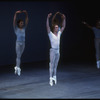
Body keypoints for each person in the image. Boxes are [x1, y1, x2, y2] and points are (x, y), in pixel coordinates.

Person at [46, 12, 66, 86]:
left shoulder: (59, 34)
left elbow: (63, 26)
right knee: (51, 65)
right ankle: (50, 79)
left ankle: (54, 76)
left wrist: (64, 19)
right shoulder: (50, 34)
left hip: (58, 51)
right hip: (52, 51)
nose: (58, 28)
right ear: (54, 28)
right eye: (56, 27)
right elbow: (47, 27)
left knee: (55, 65)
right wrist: (47, 18)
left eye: (58, 27)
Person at [13, 10, 28, 76]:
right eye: (21, 23)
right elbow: (14, 21)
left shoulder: (24, 28)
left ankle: (16, 67)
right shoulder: (16, 29)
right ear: (18, 23)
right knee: (18, 56)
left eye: (22, 23)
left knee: (20, 56)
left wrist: (26, 14)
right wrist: (16, 13)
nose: (22, 24)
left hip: (23, 43)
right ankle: (18, 68)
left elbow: (27, 21)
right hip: (18, 43)